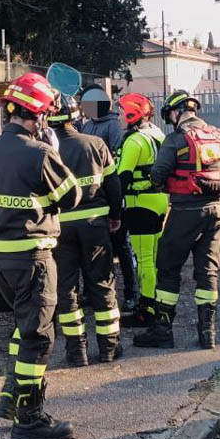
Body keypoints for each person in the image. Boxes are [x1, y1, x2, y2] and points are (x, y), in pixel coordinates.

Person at [0, 72, 82, 439]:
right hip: (33, 257)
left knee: (23, 324)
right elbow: (71, 197)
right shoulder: (41, 153)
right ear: (40, 116)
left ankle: (10, 397)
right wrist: (54, 154)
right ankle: (30, 419)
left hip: (0, 258)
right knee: (37, 335)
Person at [134, 90, 220, 350]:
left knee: (168, 270)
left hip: (183, 213)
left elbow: (158, 176)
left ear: (175, 113)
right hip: (215, 213)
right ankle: (208, 333)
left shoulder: (175, 140)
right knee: (207, 272)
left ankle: (162, 331)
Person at [47, 92, 124, 365]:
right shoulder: (96, 143)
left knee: (66, 289)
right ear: (77, 117)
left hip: (59, 230)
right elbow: (113, 185)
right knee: (102, 282)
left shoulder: (46, 150)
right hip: (95, 226)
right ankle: (109, 348)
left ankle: (76, 351)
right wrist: (115, 216)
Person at [80, 85, 137, 308]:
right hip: (90, 198)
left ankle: (130, 292)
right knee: (88, 250)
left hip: (109, 195)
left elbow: (115, 158)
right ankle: (90, 292)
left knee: (121, 246)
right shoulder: (86, 125)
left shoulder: (114, 126)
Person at [115, 93, 167, 328]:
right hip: (159, 201)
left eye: (121, 111)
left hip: (139, 203)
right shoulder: (157, 134)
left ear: (131, 113)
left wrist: (114, 208)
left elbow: (123, 176)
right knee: (154, 258)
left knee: (144, 258)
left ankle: (146, 309)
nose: (119, 116)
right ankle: (157, 302)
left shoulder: (134, 141)